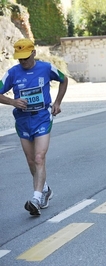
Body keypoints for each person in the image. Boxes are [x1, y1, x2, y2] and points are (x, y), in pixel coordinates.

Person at [0, 38, 68, 216]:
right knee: (31, 161)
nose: (23, 61)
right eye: (20, 58)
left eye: (26, 57)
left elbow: (64, 79)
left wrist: (58, 102)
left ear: (34, 53)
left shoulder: (46, 68)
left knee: (39, 158)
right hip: (23, 121)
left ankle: (36, 199)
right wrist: (13, 101)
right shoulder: (12, 73)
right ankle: (45, 189)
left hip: (42, 118)